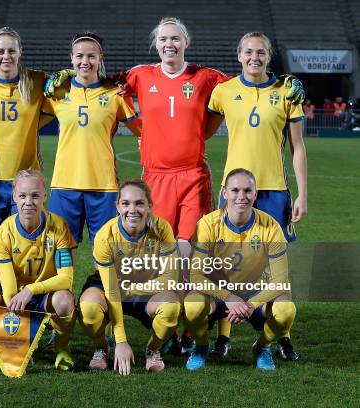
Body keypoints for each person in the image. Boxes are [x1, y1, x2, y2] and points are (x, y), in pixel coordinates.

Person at [208, 32, 306, 360]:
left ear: (269, 56)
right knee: (226, 263)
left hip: (274, 190)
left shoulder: (287, 92)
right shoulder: (223, 91)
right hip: (234, 192)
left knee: (276, 267)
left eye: (261, 52)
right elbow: (197, 128)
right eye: (248, 52)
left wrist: (303, 194)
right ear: (238, 56)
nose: (254, 57)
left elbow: (298, 147)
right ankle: (223, 334)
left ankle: (280, 334)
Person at [184, 168, 296, 371]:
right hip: (219, 294)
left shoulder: (271, 227)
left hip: (256, 294)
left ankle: (262, 347)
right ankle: (201, 346)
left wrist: (250, 304)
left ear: (255, 194)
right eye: (235, 190)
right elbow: (196, 275)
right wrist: (229, 297)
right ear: (224, 193)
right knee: (192, 305)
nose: (241, 197)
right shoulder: (207, 225)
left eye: (247, 190)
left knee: (286, 310)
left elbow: (280, 279)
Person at [0, 27, 53, 288]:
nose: (6, 56)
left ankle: (30, 305)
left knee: (28, 251)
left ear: (20, 52)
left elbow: (49, 112)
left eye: (11, 50)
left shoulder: (38, 81)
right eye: (1, 51)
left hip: (25, 182)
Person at [44, 32, 141, 251]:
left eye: (91, 56)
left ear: (100, 58)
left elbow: (141, 129)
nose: (84, 61)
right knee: (62, 250)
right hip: (64, 183)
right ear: (71, 58)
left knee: (107, 249)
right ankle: (63, 286)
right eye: (79, 56)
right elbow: (28, 121)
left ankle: (106, 286)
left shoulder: (115, 93)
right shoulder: (57, 93)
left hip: (103, 185)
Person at [0, 170, 76, 370]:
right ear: (14, 197)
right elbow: (10, 291)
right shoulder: (4, 233)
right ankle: (5, 345)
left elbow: (66, 280)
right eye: (22, 196)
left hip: (45, 294)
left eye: (35, 195)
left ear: (45, 196)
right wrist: (23, 340)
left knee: (64, 301)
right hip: (14, 297)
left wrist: (31, 290)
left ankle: (62, 348)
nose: (28, 202)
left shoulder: (59, 227)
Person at [78, 179, 181, 375]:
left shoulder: (162, 229)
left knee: (171, 307)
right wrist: (121, 341)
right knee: (89, 308)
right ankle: (101, 347)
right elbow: (111, 290)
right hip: (109, 286)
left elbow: (169, 278)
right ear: (117, 207)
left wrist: (132, 290)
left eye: (139, 203)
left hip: (148, 286)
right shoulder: (105, 236)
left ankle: (153, 349)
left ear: (149, 206)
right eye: (125, 203)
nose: (132, 209)